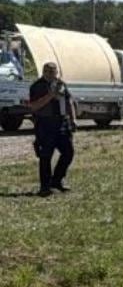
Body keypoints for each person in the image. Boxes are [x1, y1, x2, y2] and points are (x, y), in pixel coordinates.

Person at [27, 62, 76, 197]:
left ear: (57, 72)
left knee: (68, 153)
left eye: (53, 71)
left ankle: (57, 180)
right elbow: (34, 107)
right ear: (43, 72)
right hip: (45, 124)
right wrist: (50, 95)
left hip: (61, 123)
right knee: (45, 156)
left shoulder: (61, 84)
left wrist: (73, 119)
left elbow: (69, 101)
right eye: (47, 71)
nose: (50, 74)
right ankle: (45, 186)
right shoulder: (37, 86)